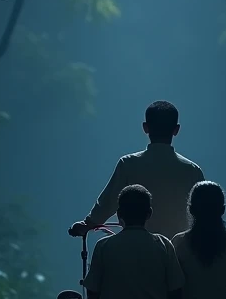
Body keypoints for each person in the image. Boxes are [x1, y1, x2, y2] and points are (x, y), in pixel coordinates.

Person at [69, 101, 204, 241]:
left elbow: (107, 203)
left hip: (137, 251)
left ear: (145, 128)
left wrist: (88, 224)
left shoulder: (128, 164)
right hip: (179, 258)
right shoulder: (193, 171)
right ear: (176, 130)